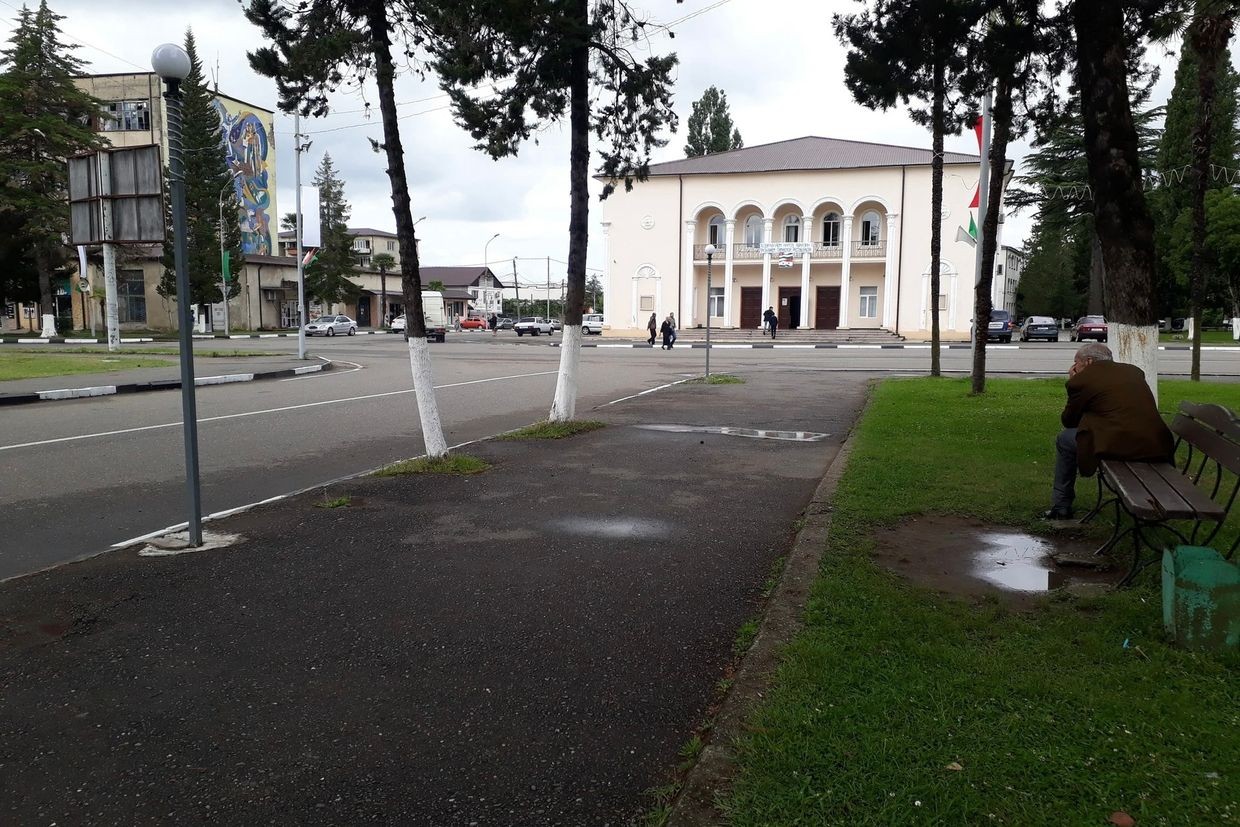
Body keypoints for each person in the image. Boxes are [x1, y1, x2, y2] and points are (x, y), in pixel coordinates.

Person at [1045, 343, 1175, 519]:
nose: (1074, 367)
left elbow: (1069, 421)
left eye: (1076, 362)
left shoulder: (1083, 379)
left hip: (1120, 446)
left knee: (1065, 439)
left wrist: (1073, 380)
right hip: (1155, 444)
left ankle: (1061, 505)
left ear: (1088, 361)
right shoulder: (1133, 371)